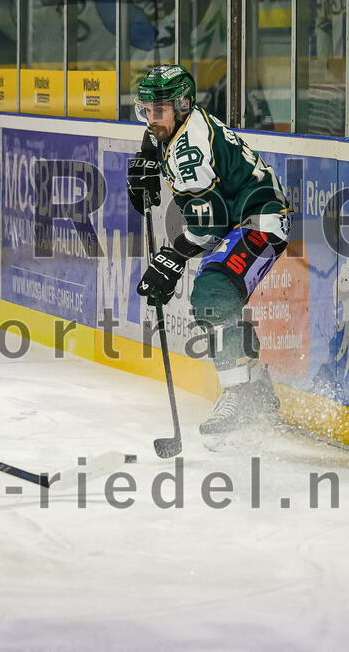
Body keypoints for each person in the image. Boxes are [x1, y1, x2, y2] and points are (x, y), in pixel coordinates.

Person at [126, 64, 292, 437]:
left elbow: (210, 227)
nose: (152, 119)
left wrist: (171, 257)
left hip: (259, 221)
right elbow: (152, 141)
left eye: (160, 110)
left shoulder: (190, 152)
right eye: (147, 110)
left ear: (183, 106)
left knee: (213, 292)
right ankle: (257, 388)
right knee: (215, 299)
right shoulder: (173, 125)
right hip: (239, 219)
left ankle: (239, 396)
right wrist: (147, 165)